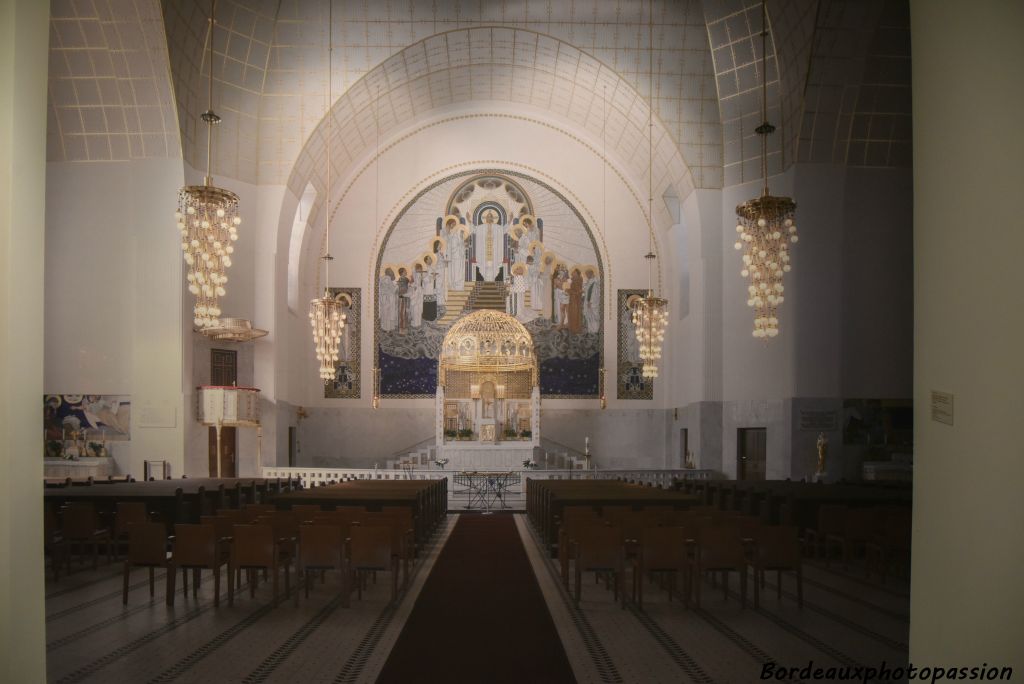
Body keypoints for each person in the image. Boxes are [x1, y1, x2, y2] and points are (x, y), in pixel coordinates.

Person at [445, 218, 466, 291]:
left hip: (459, 257)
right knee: (455, 271)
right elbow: (453, 246)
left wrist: (462, 242)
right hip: (455, 257)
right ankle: (455, 284)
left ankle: (458, 285)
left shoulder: (457, 235)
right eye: (453, 224)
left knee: (459, 271)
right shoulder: (452, 235)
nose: (454, 225)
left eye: (454, 224)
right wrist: (460, 245)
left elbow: (461, 245)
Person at [583, 268, 601, 333]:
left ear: (591, 273)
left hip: (592, 303)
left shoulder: (596, 282)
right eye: (586, 275)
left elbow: (595, 293)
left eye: (587, 274)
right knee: (589, 316)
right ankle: (590, 330)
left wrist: (591, 302)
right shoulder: (589, 281)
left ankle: (595, 330)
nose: (587, 276)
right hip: (588, 302)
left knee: (594, 316)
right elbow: (586, 290)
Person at [568, 268, 584, 333]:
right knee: (573, 313)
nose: (572, 273)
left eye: (574, 272)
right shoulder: (575, 280)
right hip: (573, 299)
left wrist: (568, 290)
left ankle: (575, 328)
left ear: (577, 273)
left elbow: (577, 292)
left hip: (575, 300)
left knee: (575, 313)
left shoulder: (577, 280)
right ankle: (573, 328)